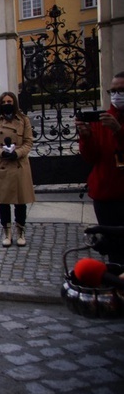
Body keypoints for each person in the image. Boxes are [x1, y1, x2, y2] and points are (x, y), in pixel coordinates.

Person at [76, 71, 124, 264]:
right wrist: (86, 136)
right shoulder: (103, 120)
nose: (116, 95)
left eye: (121, 90)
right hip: (105, 195)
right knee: (113, 247)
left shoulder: (112, 123)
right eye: (113, 91)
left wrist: (119, 131)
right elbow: (91, 157)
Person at [0, 91, 36, 247]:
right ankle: (7, 231)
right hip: (1, 165)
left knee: (21, 201)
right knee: (3, 201)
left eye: (10, 101)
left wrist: (17, 153)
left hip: (19, 164)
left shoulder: (23, 120)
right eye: (5, 102)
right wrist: (1, 152)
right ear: (0, 104)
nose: (7, 104)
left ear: (14, 103)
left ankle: (20, 230)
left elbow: (28, 142)